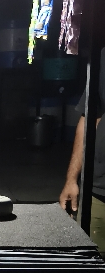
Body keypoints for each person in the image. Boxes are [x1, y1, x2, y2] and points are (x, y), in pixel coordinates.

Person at [59, 48, 105, 252]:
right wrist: (72, 179)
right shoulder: (102, 57)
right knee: (91, 260)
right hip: (99, 190)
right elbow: (89, 118)